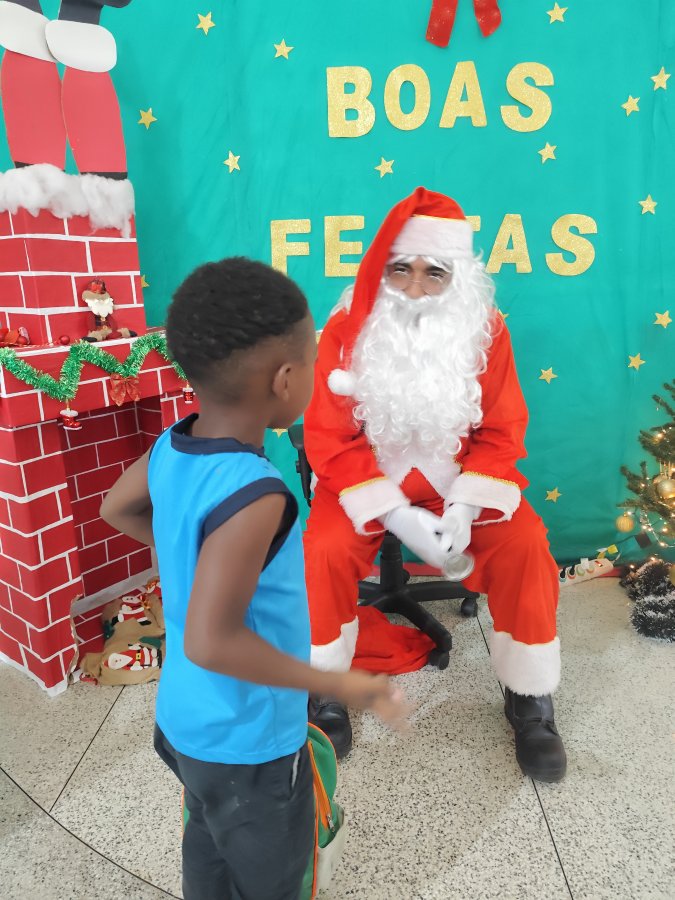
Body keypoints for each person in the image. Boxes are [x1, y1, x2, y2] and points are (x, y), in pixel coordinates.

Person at [100, 257, 409, 900]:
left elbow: (116, 509)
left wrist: (192, 563)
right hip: (249, 742)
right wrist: (336, 682)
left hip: (184, 721)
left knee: (207, 838)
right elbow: (211, 640)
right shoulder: (256, 492)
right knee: (272, 877)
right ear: (285, 379)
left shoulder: (171, 446)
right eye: (313, 362)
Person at [303, 187, 567, 783]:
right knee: (323, 550)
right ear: (381, 269)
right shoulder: (345, 330)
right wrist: (394, 513)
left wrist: (468, 505)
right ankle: (325, 690)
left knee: (526, 545)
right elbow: (328, 435)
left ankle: (529, 697)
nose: (416, 289)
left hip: (461, 480)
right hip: (364, 477)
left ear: (458, 277)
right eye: (401, 270)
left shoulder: (486, 331)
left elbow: (503, 428)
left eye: (434, 272)